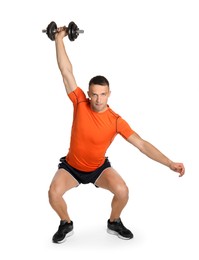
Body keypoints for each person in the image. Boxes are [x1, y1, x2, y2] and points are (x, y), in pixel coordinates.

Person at [48, 27, 185, 244]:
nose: (98, 99)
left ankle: (114, 222)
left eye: (102, 94)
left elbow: (141, 144)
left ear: (108, 94)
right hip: (72, 167)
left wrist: (169, 163)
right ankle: (66, 223)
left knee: (122, 191)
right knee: (53, 193)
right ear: (89, 93)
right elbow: (66, 71)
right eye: (93, 94)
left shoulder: (116, 121)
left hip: (98, 169)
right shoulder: (79, 103)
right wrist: (58, 38)